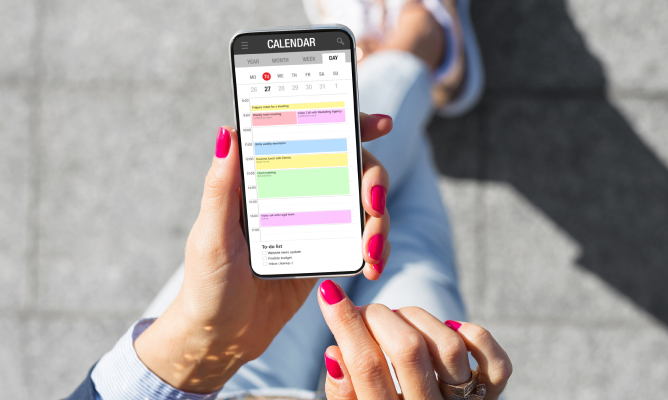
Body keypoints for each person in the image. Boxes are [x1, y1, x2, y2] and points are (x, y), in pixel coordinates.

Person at [66, 1, 510, 399]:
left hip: (211, 381)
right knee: (426, 341)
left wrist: (204, 342)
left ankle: (412, 56)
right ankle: (420, 42)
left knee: (406, 245)